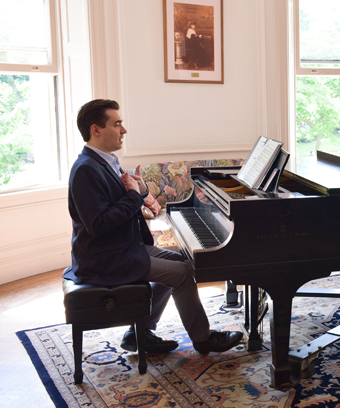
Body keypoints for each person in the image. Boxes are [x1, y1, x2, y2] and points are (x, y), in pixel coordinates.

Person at [63, 99, 243, 355]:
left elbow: (125, 198)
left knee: (186, 260)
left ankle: (141, 332)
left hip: (124, 248)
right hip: (105, 258)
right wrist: (134, 197)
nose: (123, 130)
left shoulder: (105, 161)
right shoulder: (85, 169)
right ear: (96, 129)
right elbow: (98, 225)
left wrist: (142, 190)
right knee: (181, 274)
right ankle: (203, 339)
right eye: (117, 124)